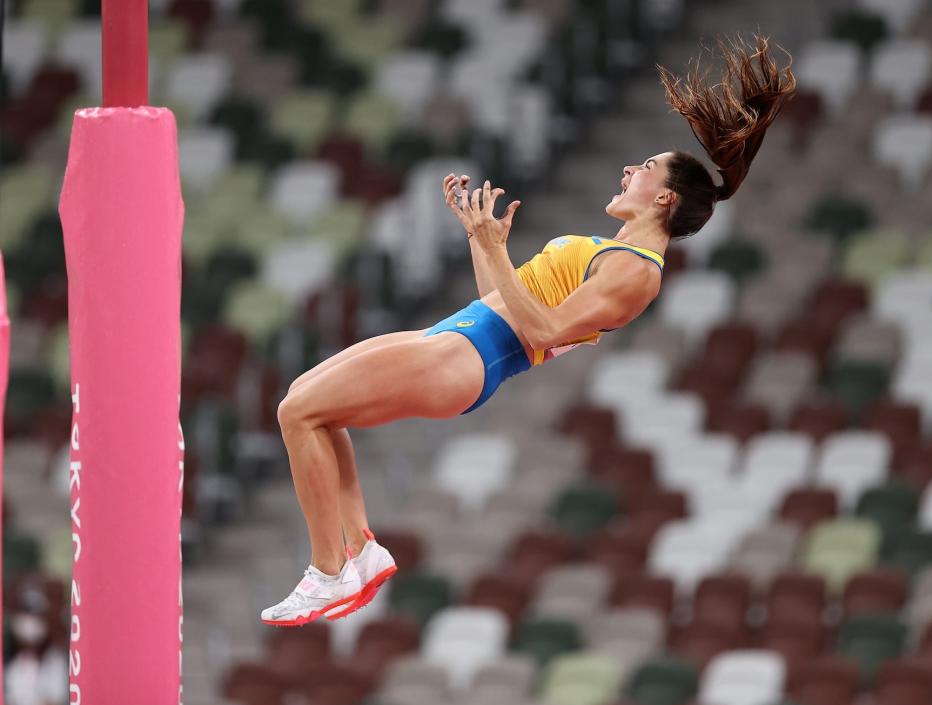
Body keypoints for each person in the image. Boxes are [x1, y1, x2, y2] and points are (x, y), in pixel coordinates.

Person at [261, 34, 796, 626]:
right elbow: (502, 300)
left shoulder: (636, 273)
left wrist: (496, 252)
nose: (628, 169)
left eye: (644, 168)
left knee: (298, 415)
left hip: (472, 357)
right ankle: (359, 552)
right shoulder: (606, 252)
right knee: (309, 405)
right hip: (462, 334)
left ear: (664, 197)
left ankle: (329, 570)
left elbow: (539, 330)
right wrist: (482, 239)